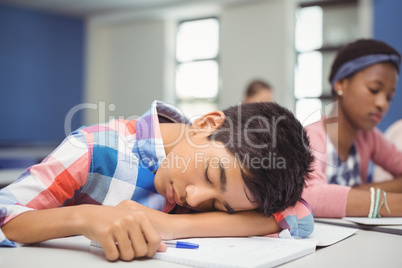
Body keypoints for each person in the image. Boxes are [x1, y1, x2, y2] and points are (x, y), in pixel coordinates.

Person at [0, 100, 314, 261]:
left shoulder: (215, 180)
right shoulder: (96, 150)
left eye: (219, 205)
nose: (194, 199)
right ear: (206, 123)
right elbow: (5, 213)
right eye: (209, 175)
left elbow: (290, 217)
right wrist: (84, 217)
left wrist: (174, 226)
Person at [302, 39, 402, 218]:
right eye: (373, 90)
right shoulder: (311, 138)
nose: (382, 104)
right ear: (340, 84)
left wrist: (361, 190)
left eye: (389, 97)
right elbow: (308, 197)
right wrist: (389, 203)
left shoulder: (370, 138)